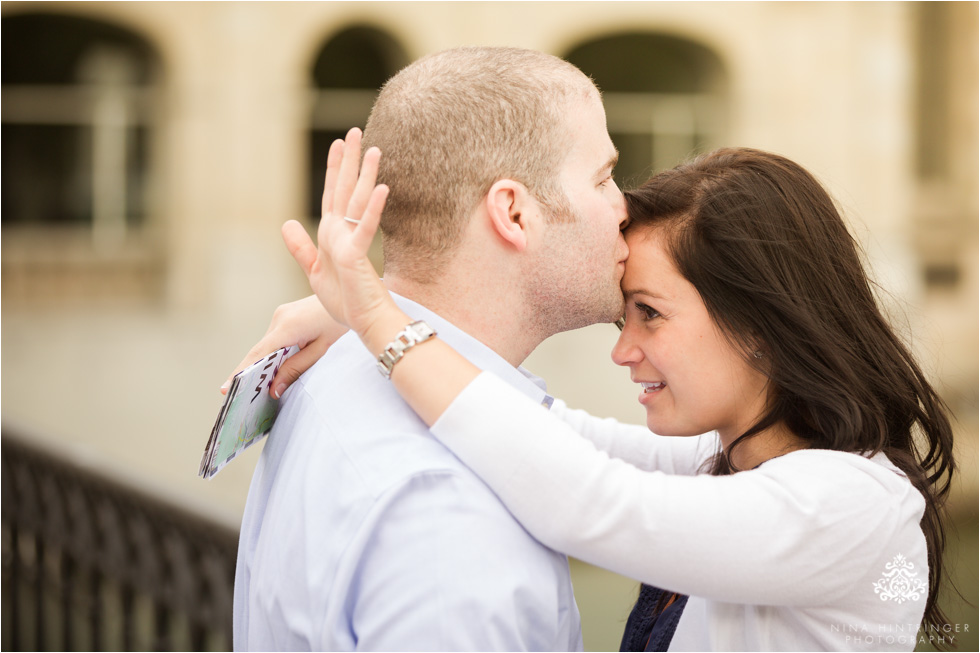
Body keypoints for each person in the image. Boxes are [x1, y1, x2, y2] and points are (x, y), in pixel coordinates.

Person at [275, 145, 956, 651]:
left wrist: (375, 317)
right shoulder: (732, 463)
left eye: (650, 314)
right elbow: (550, 433)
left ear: (759, 324)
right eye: (622, 317)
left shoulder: (850, 505)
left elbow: (588, 498)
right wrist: (370, 315)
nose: (623, 349)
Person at [232, 46, 630, 651]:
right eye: (603, 178)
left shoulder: (339, 365)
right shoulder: (451, 520)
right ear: (514, 213)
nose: (624, 206)